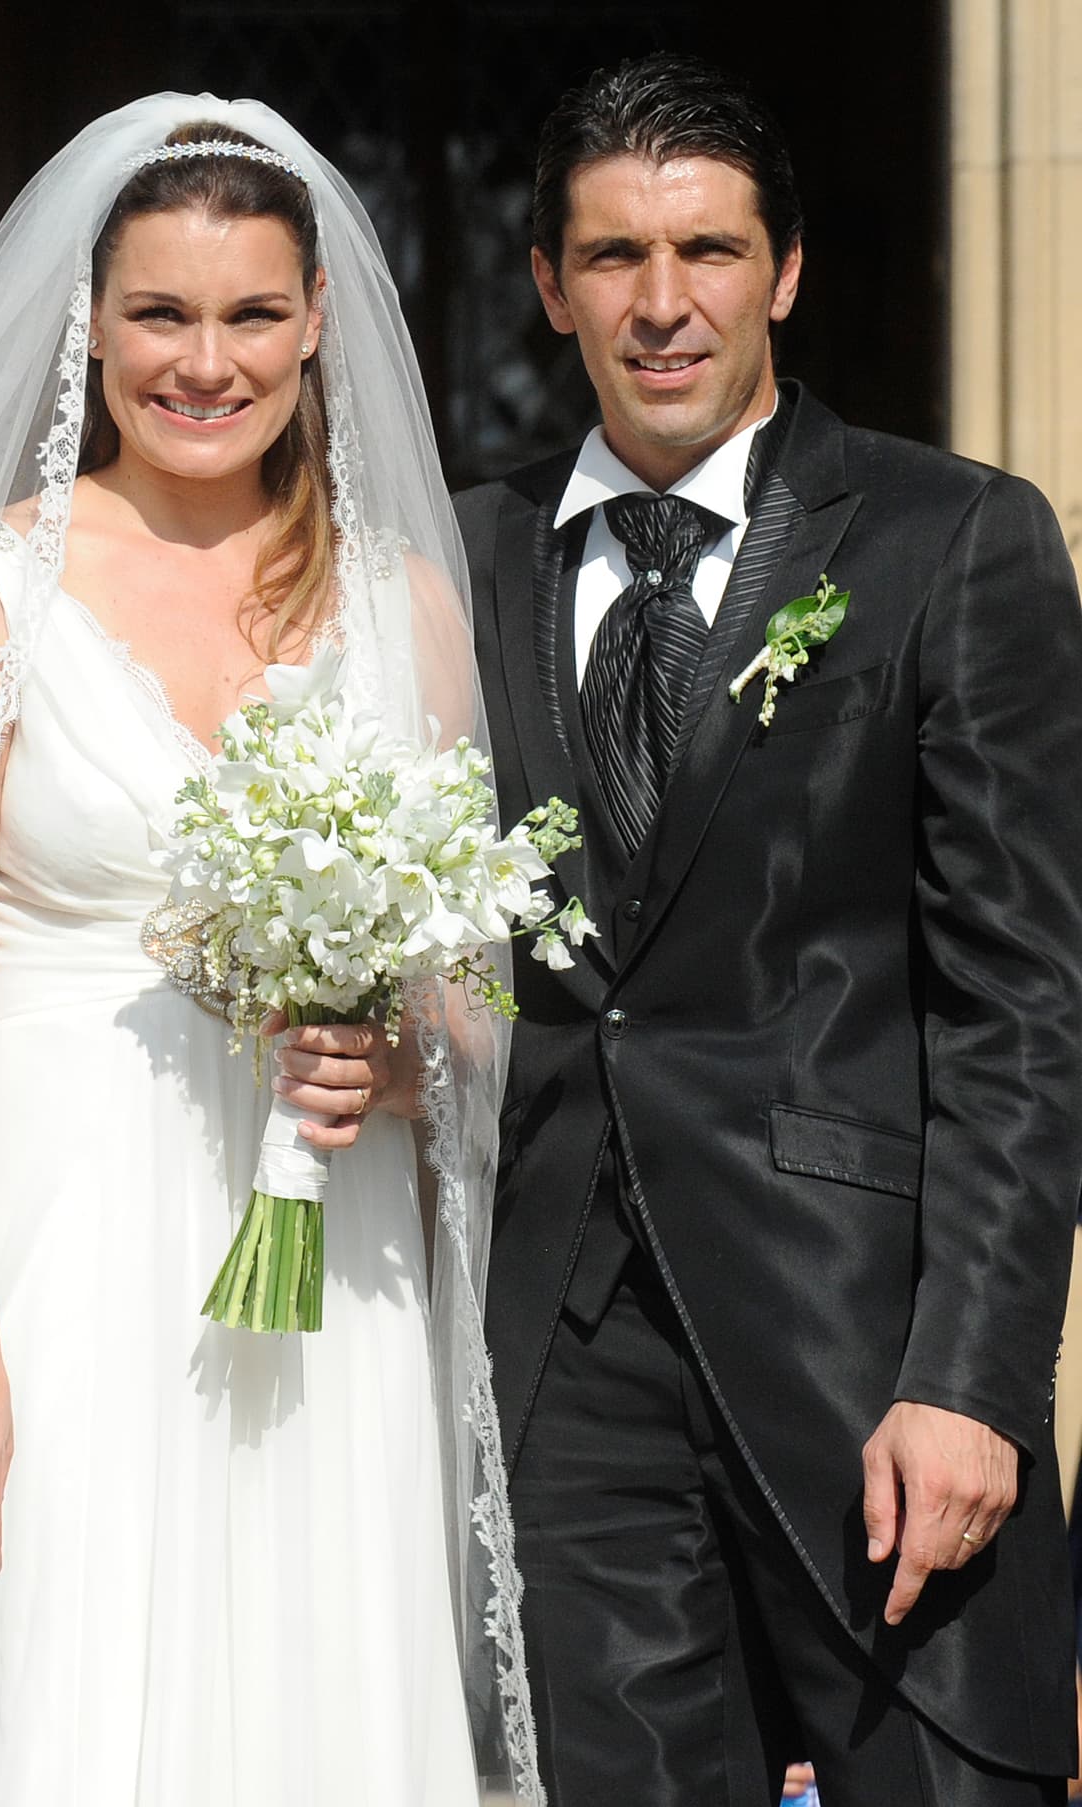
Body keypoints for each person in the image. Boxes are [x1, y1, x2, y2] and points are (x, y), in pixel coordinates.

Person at [0, 97, 540, 1805]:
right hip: (65, 1250)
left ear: (316, 328)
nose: (204, 361)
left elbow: (480, 1000)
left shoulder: (402, 605)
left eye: (250, 314)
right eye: (160, 313)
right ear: (91, 327)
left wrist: (403, 1050)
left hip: (327, 1269)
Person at [455, 49, 1082, 1807]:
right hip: (568, 1366)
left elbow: (1026, 1001)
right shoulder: (466, 552)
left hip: (862, 1356)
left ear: (784, 273)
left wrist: (975, 1378)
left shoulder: (955, 539)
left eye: (711, 253)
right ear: (549, 286)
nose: (665, 307)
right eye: (613, 259)